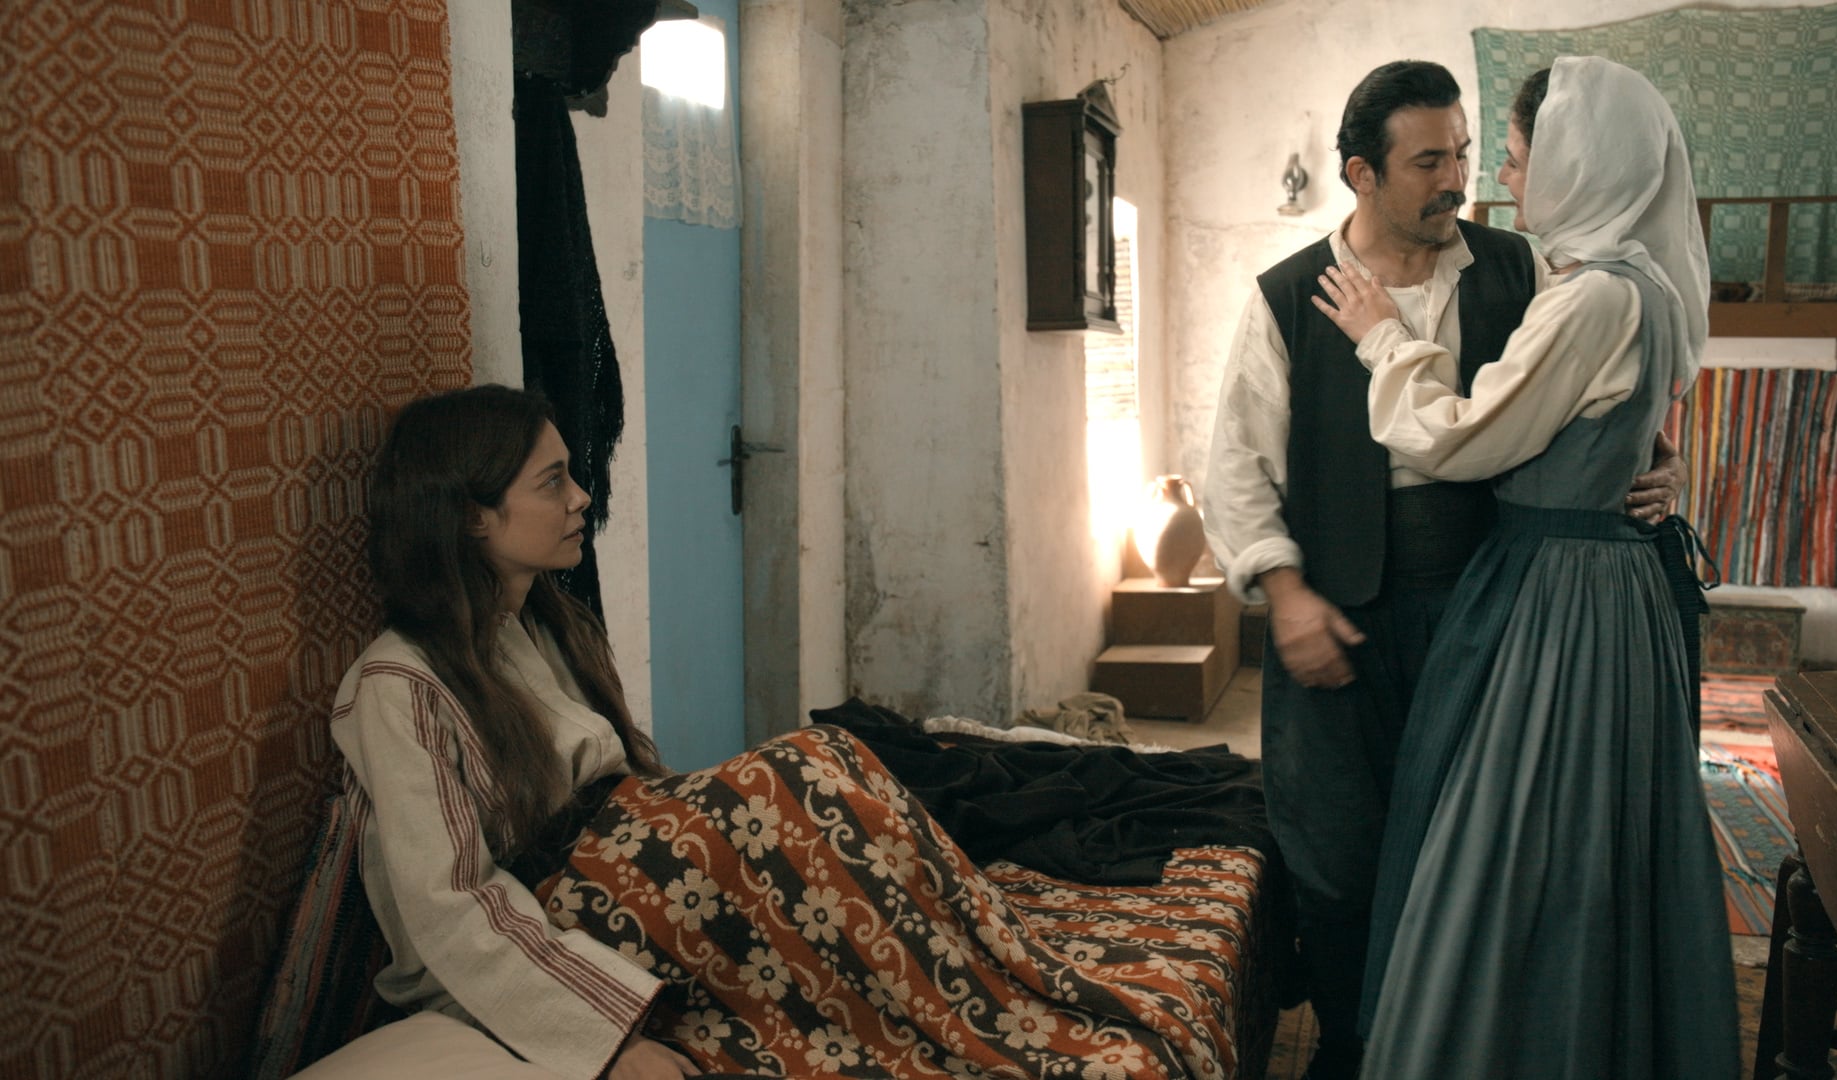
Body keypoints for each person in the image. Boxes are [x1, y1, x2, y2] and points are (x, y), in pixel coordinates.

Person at [332, 385, 1241, 1080]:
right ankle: (1002, 1024)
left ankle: (1008, 982)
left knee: (830, 761)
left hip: (630, 867)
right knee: (793, 783)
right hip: (571, 907)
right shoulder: (399, 685)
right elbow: (452, 905)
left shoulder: (539, 624)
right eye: (552, 482)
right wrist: (605, 1040)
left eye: (572, 473)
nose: (580, 497)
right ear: (471, 515)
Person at [1199, 59, 1685, 1079]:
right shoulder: (1287, 296)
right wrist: (1284, 594)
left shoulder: (1529, 269)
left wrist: (1657, 463)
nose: (1458, 178)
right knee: (1335, 854)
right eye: (1429, 161)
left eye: (1464, 153)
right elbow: (1237, 470)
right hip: (1333, 613)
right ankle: (1349, 1046)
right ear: (1361, 174)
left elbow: (1599, 392)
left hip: (1493, 614)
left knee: (1473, 852)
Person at [1312, 56, 1739, 1078]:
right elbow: (1627, 420)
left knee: (1514, 833)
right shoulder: (1650, 283)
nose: (1498, 177)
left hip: (1560, 601)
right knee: (1594, 828)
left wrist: (1382, 340)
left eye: (1509, 153)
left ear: (1577, 160)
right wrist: (1656, 464)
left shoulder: (1590, 297)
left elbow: (1464, 437)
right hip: (1618, 589)